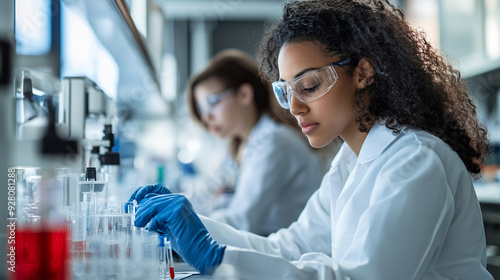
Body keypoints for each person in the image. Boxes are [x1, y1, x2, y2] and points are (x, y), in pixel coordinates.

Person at [128, 0, 494, 278]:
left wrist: (216, 257)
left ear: (363, 72)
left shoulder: (416, 160)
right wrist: (195, 226)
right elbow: (291, 246)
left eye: (309, 86)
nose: (295, 108)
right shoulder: (352, 161)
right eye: (287, 92)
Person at [131, 49, 324, 236]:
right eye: (201, 108)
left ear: (244, 95)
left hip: (287, 256)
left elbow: (241, 222)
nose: (206, 117)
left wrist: (178, 219)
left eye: (212, 103)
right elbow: (218, 203)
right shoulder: (244, 146)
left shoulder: (272, 142)